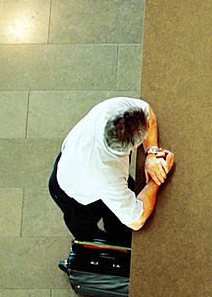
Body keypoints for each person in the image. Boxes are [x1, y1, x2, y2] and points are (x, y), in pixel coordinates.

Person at [48, 97, 175, 244]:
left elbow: (147, 113)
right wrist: (156, 179)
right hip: (71, 193)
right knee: (85, 231)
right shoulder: (109, 178)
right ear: (133, 148)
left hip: (73, 158)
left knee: (116, 220)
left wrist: (152, 153)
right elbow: (136, 220)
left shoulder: (114, 109)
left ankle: (115, 232)